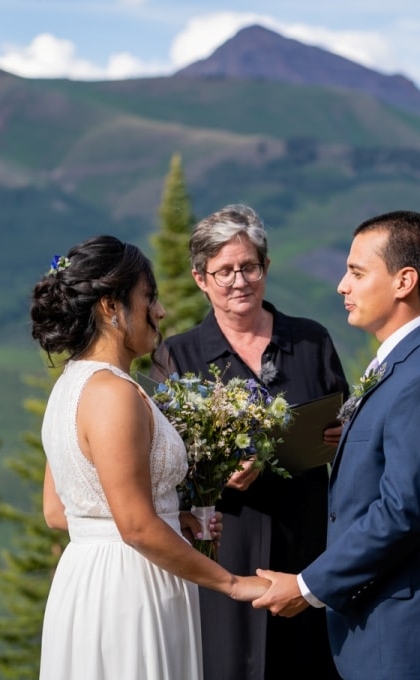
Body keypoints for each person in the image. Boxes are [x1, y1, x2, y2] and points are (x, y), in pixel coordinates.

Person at [252, 210, 420, 680]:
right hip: (375, 623)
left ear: (404, 281)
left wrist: (307, 585)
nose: (342, 285)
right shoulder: (403, 363)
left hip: (403, 631)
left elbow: (403, 511)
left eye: (356, 272)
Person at [30, 235, 268, 680]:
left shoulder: (70, 385)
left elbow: (59, 512)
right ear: (109, 307)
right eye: (148, 297)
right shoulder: (112, 393)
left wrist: (172, 520)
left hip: (88, 585)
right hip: (130, 589)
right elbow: (135, 527)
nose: (159, 311)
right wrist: (233, 583)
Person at [151, 204, 349, 680]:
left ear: (266, 267)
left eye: (250, 267)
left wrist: (344, 434)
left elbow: (344, 423)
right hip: (223, 550)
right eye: (224, 271)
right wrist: (216, 473)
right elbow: (161, 460)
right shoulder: (177, 355)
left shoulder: (310, 341)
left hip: (305, 546)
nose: (239, 281)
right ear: (201, 279)